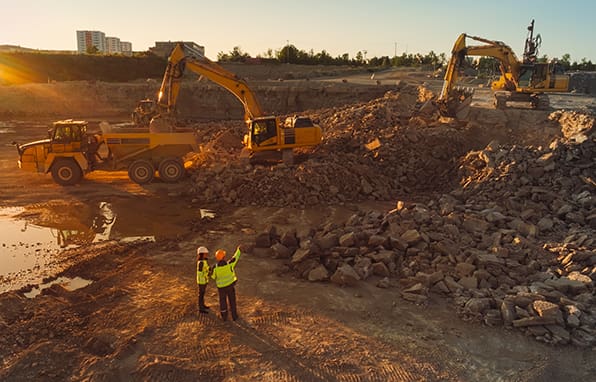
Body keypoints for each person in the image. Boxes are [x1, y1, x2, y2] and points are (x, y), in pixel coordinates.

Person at [211, 246, 243, 321]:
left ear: (217, 258)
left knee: (223, 301)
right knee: (232, 300)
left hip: (221, 287)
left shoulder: (215, 268)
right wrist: (238, 250)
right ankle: (234, 316)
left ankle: (224, 316)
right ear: (224, 257)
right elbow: (235, 258)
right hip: (230, 286)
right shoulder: (229, 264)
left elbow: (213, 277)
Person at [196, 246, 211, 314]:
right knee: (201, 295)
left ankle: (202, 305)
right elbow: (201, 272)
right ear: (202, 254)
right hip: (202, 281)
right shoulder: (201, 263)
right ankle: (201, 308)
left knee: (202, 294)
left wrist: (209, 269)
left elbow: (206, 269)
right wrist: (208, 273)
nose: (206, 254)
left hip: (204, 280)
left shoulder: (204, 261)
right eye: (205, 253)